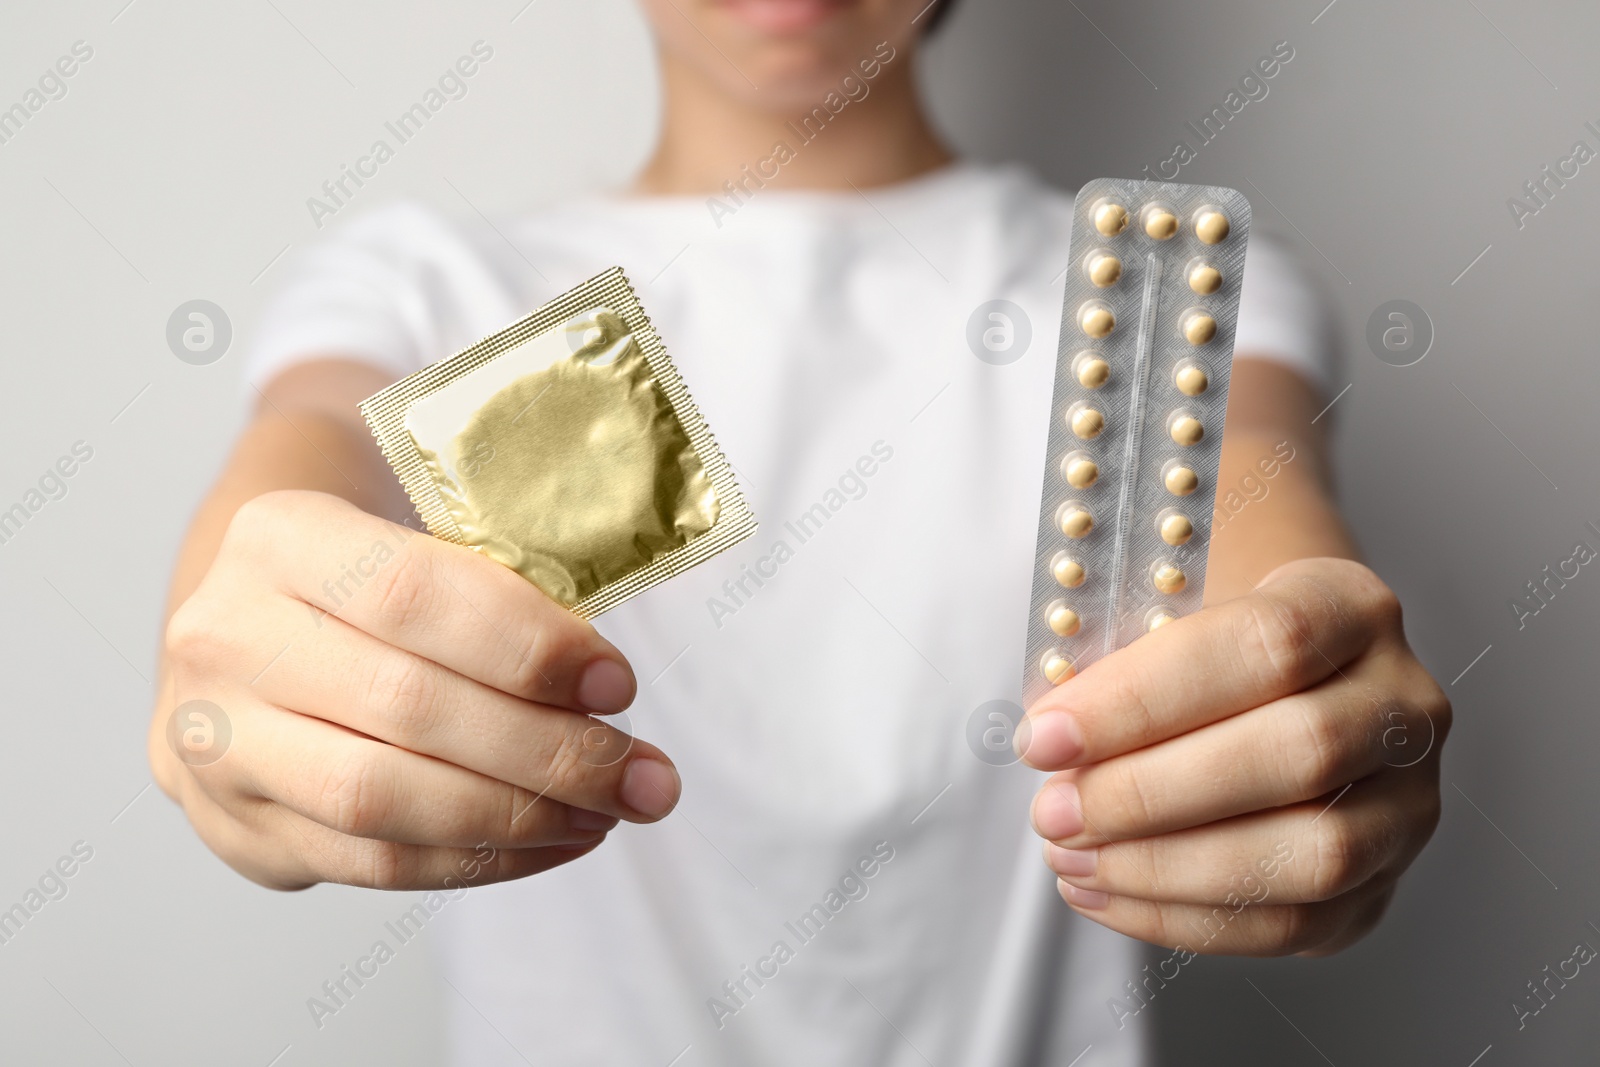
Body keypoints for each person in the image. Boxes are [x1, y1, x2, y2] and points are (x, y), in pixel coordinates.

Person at [148, 0, 1450, 1062]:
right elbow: (291, 480)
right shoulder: (424, 292)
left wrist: (1314, 712)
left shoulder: (1159, 288)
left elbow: (1258, 524)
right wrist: (234, 681)